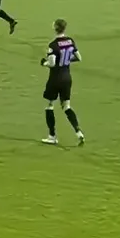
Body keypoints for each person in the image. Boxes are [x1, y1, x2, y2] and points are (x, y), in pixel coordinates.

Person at [41, 18, 84, 146]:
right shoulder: (70, 41)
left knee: (49, 105)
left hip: (55, 79)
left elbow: (52, 63)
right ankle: (78, 132)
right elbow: (78, 58)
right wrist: (66, 60)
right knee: (66, 107)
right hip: (67, 78)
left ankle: (52, 136)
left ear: (55, 28)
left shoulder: (53, 45)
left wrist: (44, 63)